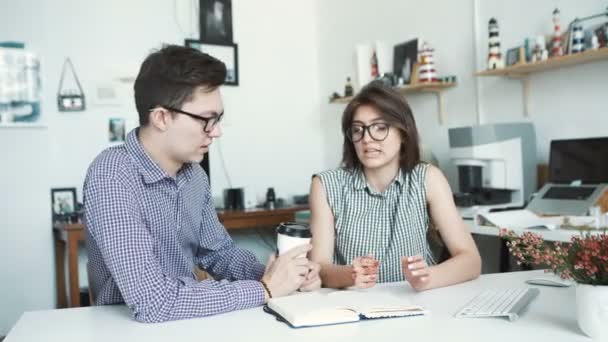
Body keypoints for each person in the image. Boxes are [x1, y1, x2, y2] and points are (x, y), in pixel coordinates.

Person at [83, 45, 320, 323]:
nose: (216, 131)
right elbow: (153, 304)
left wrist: (280, 275)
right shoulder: (112, 174)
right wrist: (265, 288)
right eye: (206, 120)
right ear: (161, 117)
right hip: (128, 328)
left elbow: (218, 253)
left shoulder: (194, 175)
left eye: (217, 119)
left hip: (185, 323)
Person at [309, 81, 481, 290]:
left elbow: (471, 261)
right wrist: (350, 275)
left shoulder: (428, 178)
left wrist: (427, 277)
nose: (367, 139)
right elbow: (319, 268)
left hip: (416, 305)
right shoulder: (325, 185)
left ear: (403, 132)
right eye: (357, 130)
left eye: (380, 127)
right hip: (353, 308)